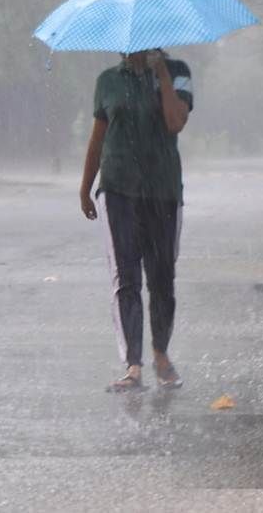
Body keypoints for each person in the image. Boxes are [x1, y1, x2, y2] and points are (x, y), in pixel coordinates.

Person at [79, 47, 192, 392]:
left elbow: (176, 121)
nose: (132, 48)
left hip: (163, 191)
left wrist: (160, 76)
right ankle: (132, 365)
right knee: (125, 279)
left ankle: (161, 355)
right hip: (117, 190)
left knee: (161, 278)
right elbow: (98, 137)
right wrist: (86, 186)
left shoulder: (178, 71)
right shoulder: (108, 81)